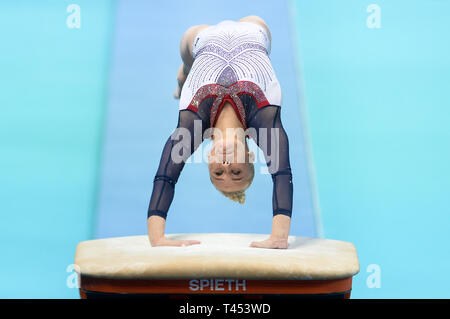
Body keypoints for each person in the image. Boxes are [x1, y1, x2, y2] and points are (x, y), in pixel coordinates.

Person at [147, 16, 293, 249]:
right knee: (257, 24)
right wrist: (279, 237)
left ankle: (183, 77)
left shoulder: (192, 126)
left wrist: (157, 238)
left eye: (218, 172)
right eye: (236, 171)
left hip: (200, 40)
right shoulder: (264, 121)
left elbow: (165, 177)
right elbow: (282, 174)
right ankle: (182, 80)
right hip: (253, 28)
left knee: (188, 55)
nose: (225, 165)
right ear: (251, 156)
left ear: (208, 158)